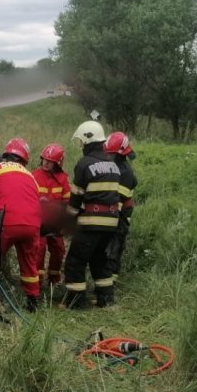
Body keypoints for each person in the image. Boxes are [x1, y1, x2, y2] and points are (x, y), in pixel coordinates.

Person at [61, 120, 121, 309]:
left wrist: (68, 220)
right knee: (99, 260)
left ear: (88, 140)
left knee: (75, 261)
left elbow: (76, 197)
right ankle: (106, 299)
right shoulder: (112, 164)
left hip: (90, 222)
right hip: (111, 223)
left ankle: (76, 302)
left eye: (82, 142)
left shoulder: (85, 164)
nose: (81, 146)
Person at [0, 138, 42, 311]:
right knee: (29, 263)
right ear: (24, 159)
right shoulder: (31, 175)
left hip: (9, 222)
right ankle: (32, 302)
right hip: (33, 224)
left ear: (6, 154)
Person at [31, 143, 71, 286]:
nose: (46, 163)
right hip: (39, 221)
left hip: (55, 222)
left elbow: (67, 202)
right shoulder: (34, 176)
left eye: (51, 161)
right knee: (39, 250)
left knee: (59, 250)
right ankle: (37, 282)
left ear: (57, 163)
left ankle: (54, 281)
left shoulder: (63, 179)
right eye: (45, 159)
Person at [104, 131, 137, 281]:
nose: (108, 157)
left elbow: (118, 200)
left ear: (120, 153)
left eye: (111, 154)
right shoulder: (114, 166)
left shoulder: (125, 173)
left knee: (113, 250)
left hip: (120, 216)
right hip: (111, 213)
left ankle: (111, 285)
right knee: (106, 250)